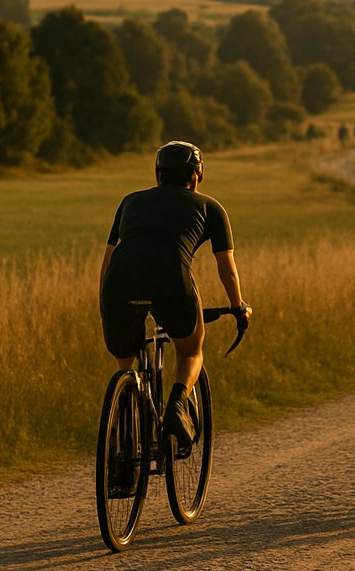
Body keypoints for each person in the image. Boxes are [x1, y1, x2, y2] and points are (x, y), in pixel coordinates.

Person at [99, 141, 251, 457]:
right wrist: (238, 306)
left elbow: (109, 259)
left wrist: (107, 302)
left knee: (126, 365)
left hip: (119, 282)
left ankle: (123, 444)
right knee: (191, 349)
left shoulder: (130, 202)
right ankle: (178, 404)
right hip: (171, 281)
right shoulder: (210, 207)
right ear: (197, 176)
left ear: (157, 175)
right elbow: (227, 269)